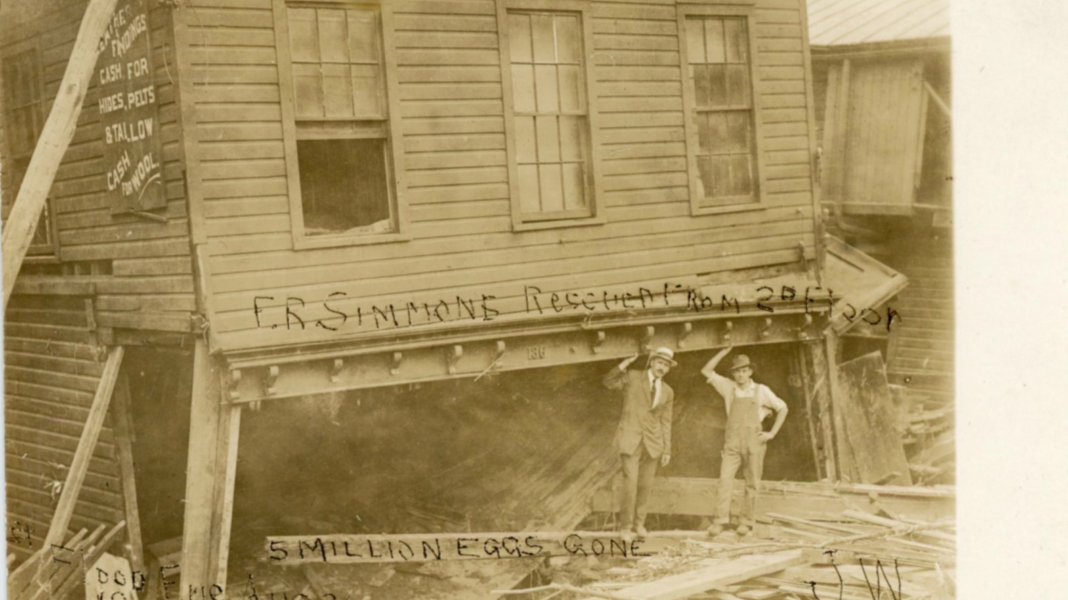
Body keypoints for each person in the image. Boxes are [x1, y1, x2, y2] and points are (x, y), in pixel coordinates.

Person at [701, 347, 788, 536]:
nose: (740, 375)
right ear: (733, 374)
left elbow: (783, 408)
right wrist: (724, 351)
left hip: (754, 442)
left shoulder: (761, 390)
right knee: (725, 480)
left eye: (743, 370)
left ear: (750, 371)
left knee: (752, 482)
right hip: (732, 442)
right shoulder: (727, 387)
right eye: (736, 371)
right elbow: (706, 371)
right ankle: (720, 520)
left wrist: (771, 433)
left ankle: (746, 521)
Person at [602, 347, 676, 541]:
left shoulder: (668, 391)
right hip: (631, 438)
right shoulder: (633, 377)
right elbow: (608, 382)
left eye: (666, 365)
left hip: (653, 443)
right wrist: (626, 362)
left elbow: (666, 421)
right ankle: (625, 527)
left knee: (646, 485)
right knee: (631, 483)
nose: (662, 367)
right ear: (651, 362)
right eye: (660, 362)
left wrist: (667, 448)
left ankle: (639, 524)